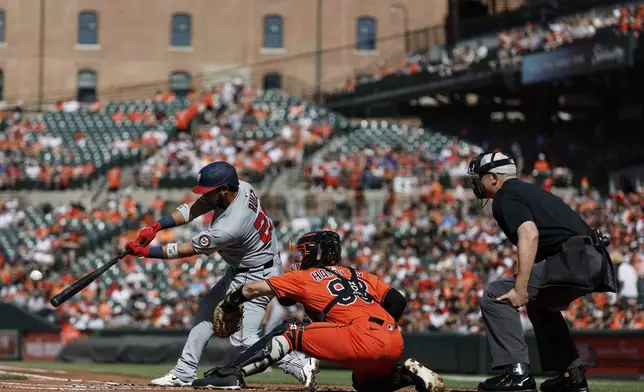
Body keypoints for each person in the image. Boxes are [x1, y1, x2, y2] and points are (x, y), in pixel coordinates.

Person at [125, 161, 317, 387]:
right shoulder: (241, 187)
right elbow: (194, 208)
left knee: (246, 338)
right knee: (207, 307)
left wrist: (147, 252)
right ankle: (184, 371)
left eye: (210, 190)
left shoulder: (230, 226)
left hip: (256, 275)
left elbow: (186, 249)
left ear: (224, 190)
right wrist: (157, 226)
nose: (205, 195)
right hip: (249, 267)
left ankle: (299, 365)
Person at [191, 230, 445, 392]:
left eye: (302, 252)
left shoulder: (306, 276)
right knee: (364, 383)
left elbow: (252, 290)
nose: (299, 258)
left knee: (290, 330)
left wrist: (230, 301)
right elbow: (398, 301)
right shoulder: (359, 274)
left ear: (313, 253)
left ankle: (231, 374)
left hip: (362, 338)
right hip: (393, 339)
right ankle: (410, 375)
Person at [468, 152, 616, 392]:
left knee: (496, 294)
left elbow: (530, 235)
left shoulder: (506, 195)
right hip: (592, 259)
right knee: (539, 305)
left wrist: (521, 287)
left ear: (494, 177)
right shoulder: (527, 191)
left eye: (479, 177)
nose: (475, 182)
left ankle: (517, 374)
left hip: (575, 260)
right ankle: (572, 376)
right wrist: (556, 293)